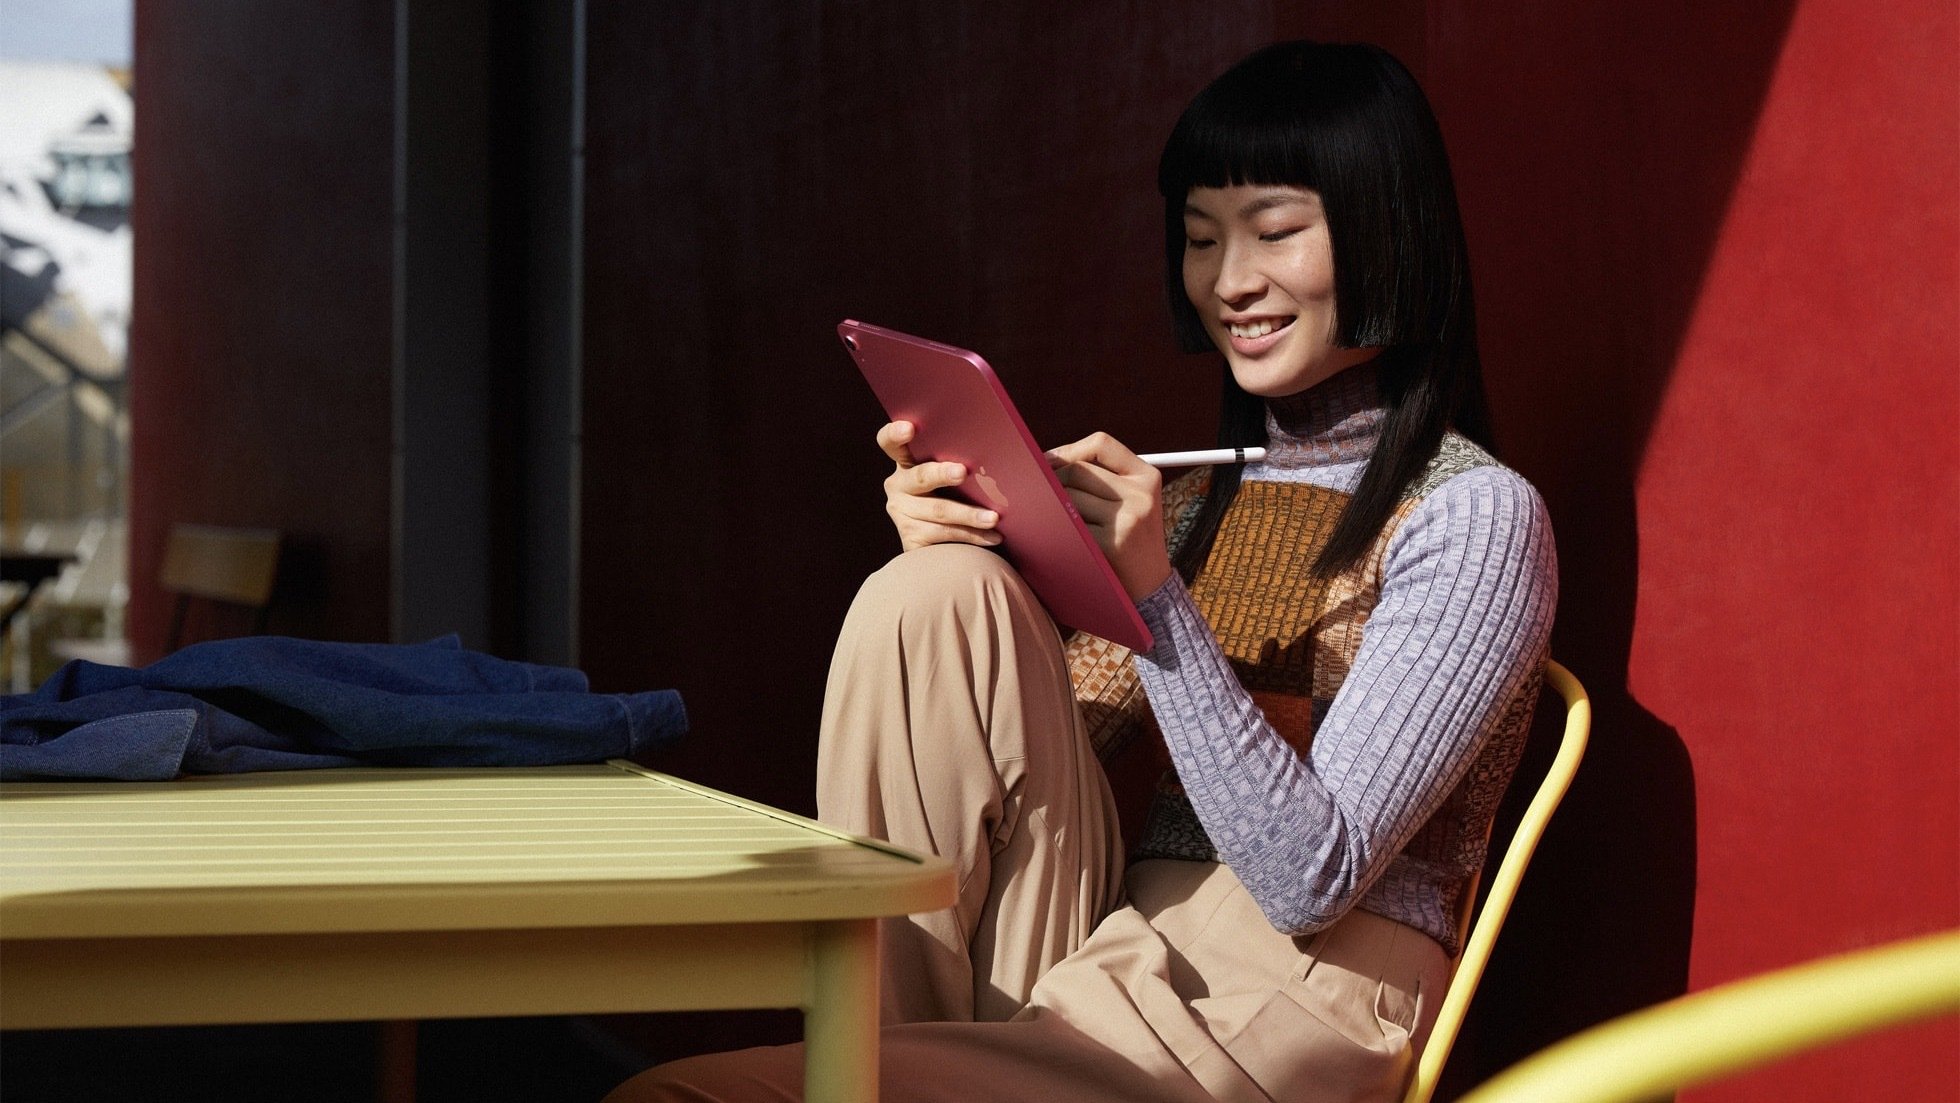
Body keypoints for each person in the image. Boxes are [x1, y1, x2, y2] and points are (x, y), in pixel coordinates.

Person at [607, 38, 1555, 1103]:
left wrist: (1154, 593)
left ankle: (871, 1077)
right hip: (1111, 948)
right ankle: (869, 1048)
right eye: (1200, 239)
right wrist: (978, 566)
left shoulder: (1474, 515)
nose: (1229, 280)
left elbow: (1309, 878)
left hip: (1283, 1003)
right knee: (931, 597)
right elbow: (1036, 763)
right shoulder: (1197, 501)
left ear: (1391, 231)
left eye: (1275, 232)